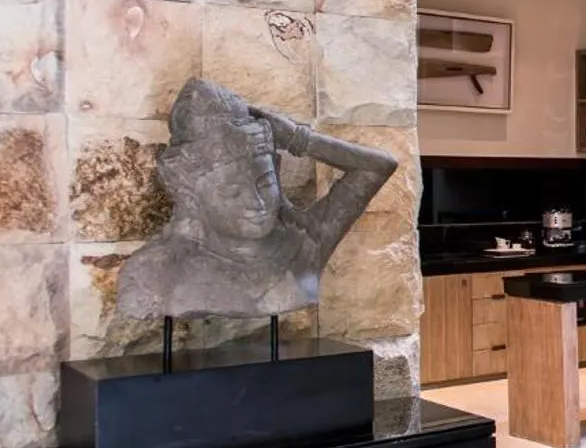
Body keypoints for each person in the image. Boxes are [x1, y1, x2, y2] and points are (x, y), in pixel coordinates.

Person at [114, 78, 396, 321]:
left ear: (276, 171)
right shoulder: (154, 274)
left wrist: (298, 138)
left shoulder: (305, 243)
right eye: (231, 191)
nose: (256, 203)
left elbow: (378, 166)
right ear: (191, 196)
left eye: (265, 184)